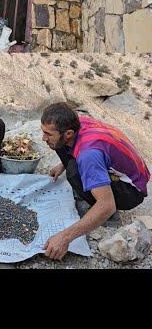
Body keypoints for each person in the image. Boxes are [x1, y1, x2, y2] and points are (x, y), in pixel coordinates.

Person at [40, 102, 150, 260]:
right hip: (125, 171)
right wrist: (62, 164)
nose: (43, 138)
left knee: (74, 172)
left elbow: (107, 205)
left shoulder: (88, 156)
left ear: (69, 133)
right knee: (58, 146)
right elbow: (71, 145)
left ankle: (107, 216)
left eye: (48, 134)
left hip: (132, 191)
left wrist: (64, 237)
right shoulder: (79, 123)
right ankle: (93, 186)